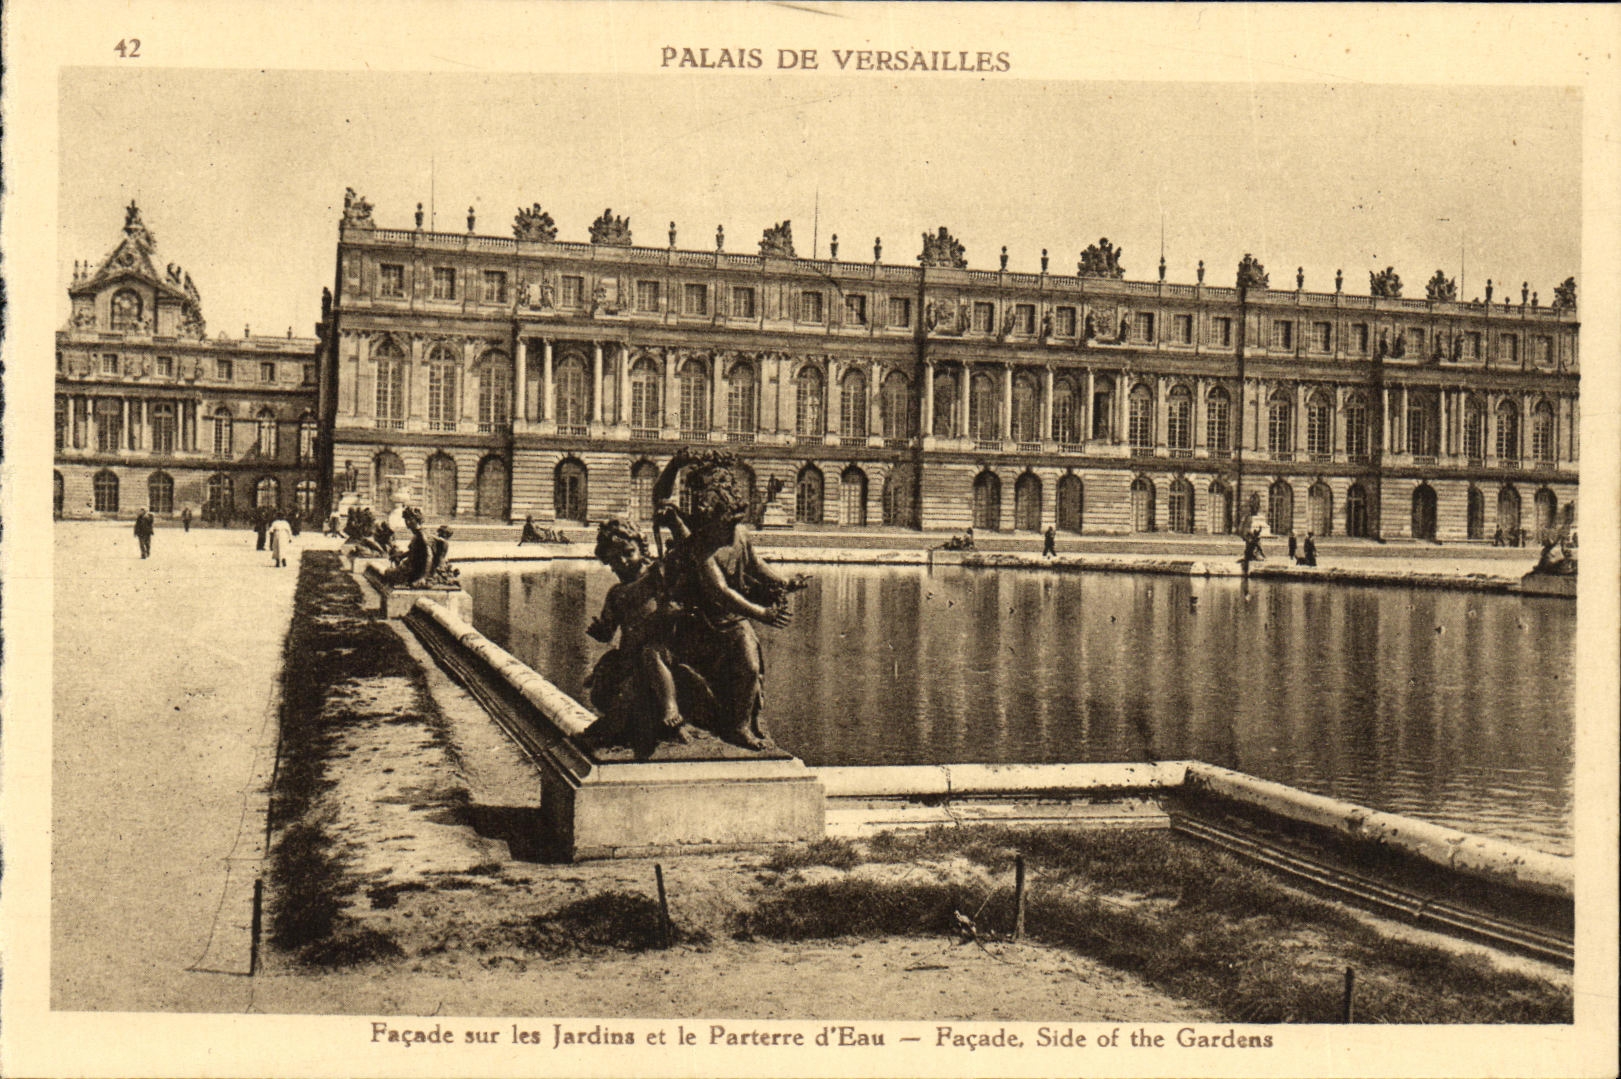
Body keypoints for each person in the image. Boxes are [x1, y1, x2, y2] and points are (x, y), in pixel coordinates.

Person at [580, 519, 686, 757]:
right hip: (628, 657)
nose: (624, 562)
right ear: (608, 562)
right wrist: (600, 631)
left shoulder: (656, 578)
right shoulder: (616, 594)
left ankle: (671, 709)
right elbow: (608, 631)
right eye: (615, 558)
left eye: (629, 553)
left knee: (650, 657)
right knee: (602, 688)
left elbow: (680, 601)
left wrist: (673, 608)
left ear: (643, 550)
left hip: (661, 651)